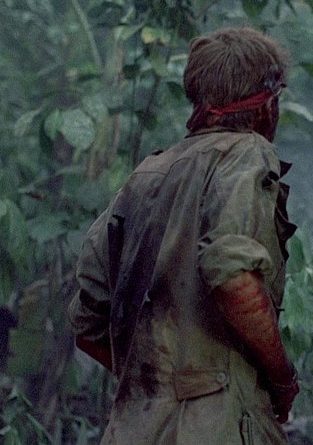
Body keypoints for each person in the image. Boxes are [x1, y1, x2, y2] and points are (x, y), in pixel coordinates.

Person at [68, 27, 299, 444]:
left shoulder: (146, 175)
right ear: (268, 104)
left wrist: (157, 389)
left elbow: (87, 323)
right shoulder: (247, 152)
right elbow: (233, 276)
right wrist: (281, 378)